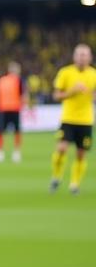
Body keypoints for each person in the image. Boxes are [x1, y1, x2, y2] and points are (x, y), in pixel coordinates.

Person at [50, 43, 96, 194]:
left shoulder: (94, 74)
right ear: (74, 57)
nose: (82, 58)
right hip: (68, 119)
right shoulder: (65, 72)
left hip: (86, 120)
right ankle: (56, 177)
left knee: (81, 153)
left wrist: (91, 94)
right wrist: (72, 91)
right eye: (79, 55)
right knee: (61, 149)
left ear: (90, 57)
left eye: (85, 55)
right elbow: (56, 95)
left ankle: (74, 184)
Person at [0, 61, 26, 162]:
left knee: (0, 131)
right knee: (16, 131)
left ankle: (0, 152)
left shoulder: (1, 80)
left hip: (3, 108)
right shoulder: (19, 80)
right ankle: (16, 152)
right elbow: (23, 94)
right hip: (14, 108)